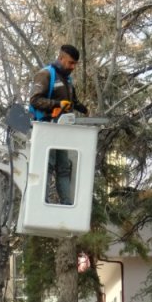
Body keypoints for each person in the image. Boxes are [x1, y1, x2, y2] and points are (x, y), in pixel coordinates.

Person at [28, 44, 87, 205]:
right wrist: (57, 104)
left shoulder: (67, 79)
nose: (73, 67)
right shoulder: (46, 74)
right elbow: (34, 100)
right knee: (47, 165)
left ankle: (67, 203)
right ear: (61, 58)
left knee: (63, 168)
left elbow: (72, 101)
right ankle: (41, 201)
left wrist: (81, 107)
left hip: (62, 130)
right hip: (46, 128)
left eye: (75, 64)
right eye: (70, 63)